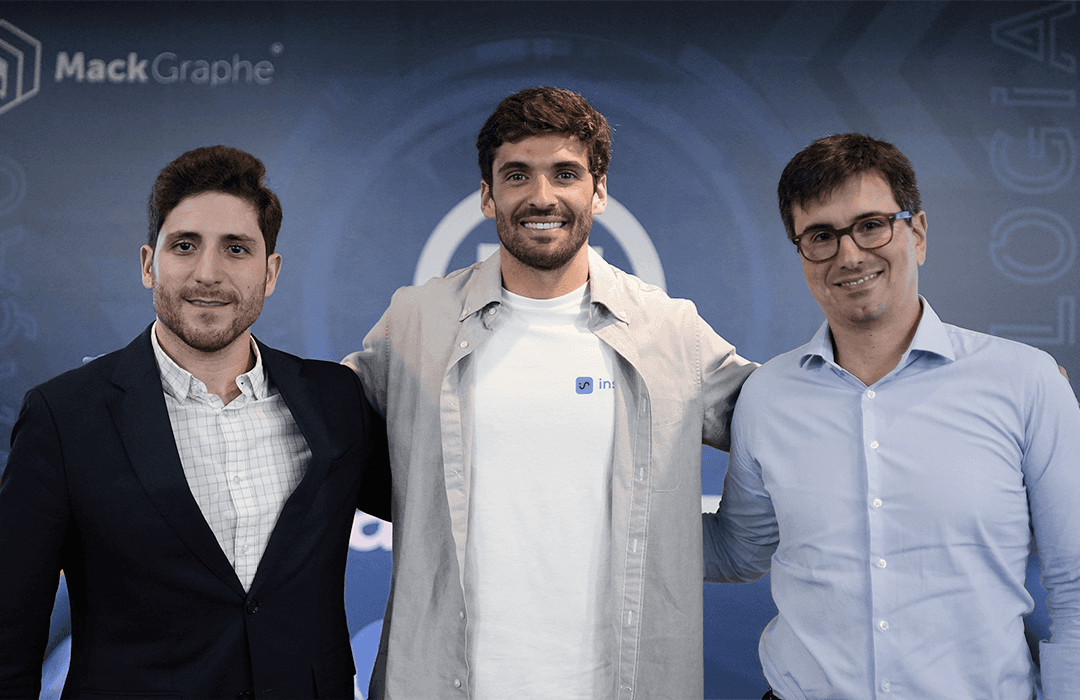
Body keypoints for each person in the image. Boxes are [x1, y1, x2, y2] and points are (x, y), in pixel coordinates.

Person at [344, 87, 756, 699]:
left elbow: (780, 424)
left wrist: (711, 546)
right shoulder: (416, 319)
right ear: (488, 195)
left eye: (565, 173)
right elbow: (320, 428)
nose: (542, 196)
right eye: (517, 175)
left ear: (599, 190)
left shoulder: (670, 331)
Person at [0, 146, 390, 699]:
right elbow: (10, 632)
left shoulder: (336, 399)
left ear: (270, 272)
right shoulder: (63, 417)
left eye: (236, 248)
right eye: (184, 245)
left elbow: (434, 506)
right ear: (147, 263)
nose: (208, 273)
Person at [703, 133, 1080, 699]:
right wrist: (592, 520)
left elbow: (1074, 580)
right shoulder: (768, 396)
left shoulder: (1025, 383)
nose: (849, 254)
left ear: (918, 232)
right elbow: (738, 550)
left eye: (871, 225)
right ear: (801, 254)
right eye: (821, 236)